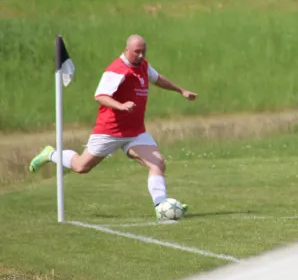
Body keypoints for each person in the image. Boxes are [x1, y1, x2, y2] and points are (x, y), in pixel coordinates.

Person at [28, 34, 197, 218]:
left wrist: (181, 90)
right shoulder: (117, 70)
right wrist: (121, 106)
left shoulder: (143, 66)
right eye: (136, 52)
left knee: (158, 163)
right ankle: (50, 153)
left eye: (143, 51)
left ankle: (161, 207)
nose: (140, 55)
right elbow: (100, 96)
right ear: (126, 50)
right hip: (110, 131)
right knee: (81, 167)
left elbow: (158, 79)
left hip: (135, 132)